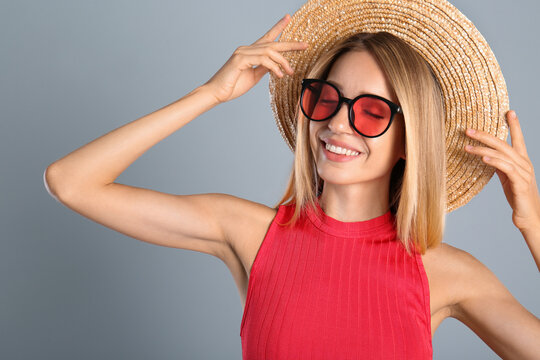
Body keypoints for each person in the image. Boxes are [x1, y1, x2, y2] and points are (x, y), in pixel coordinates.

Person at [44, 0, 540, 358]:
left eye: (370, 111)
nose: (338, 123)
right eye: (327, 98)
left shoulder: (446, 271)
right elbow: (71, 181)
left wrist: (532, 223)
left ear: (410, 140)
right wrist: (210, 93)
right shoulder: (248, 232)